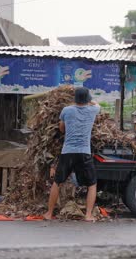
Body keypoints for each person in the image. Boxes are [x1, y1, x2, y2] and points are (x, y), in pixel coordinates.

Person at [43, 87, 100, 222]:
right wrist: (90, 101)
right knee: (92, 184)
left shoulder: (66, 110)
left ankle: (49, 213)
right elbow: (96, 104)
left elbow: (61, 128)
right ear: (87, 99)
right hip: (84, 152)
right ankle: (88, 215)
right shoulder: (93, 110)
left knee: (57, 182)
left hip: (67, 151)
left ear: (75, 99)